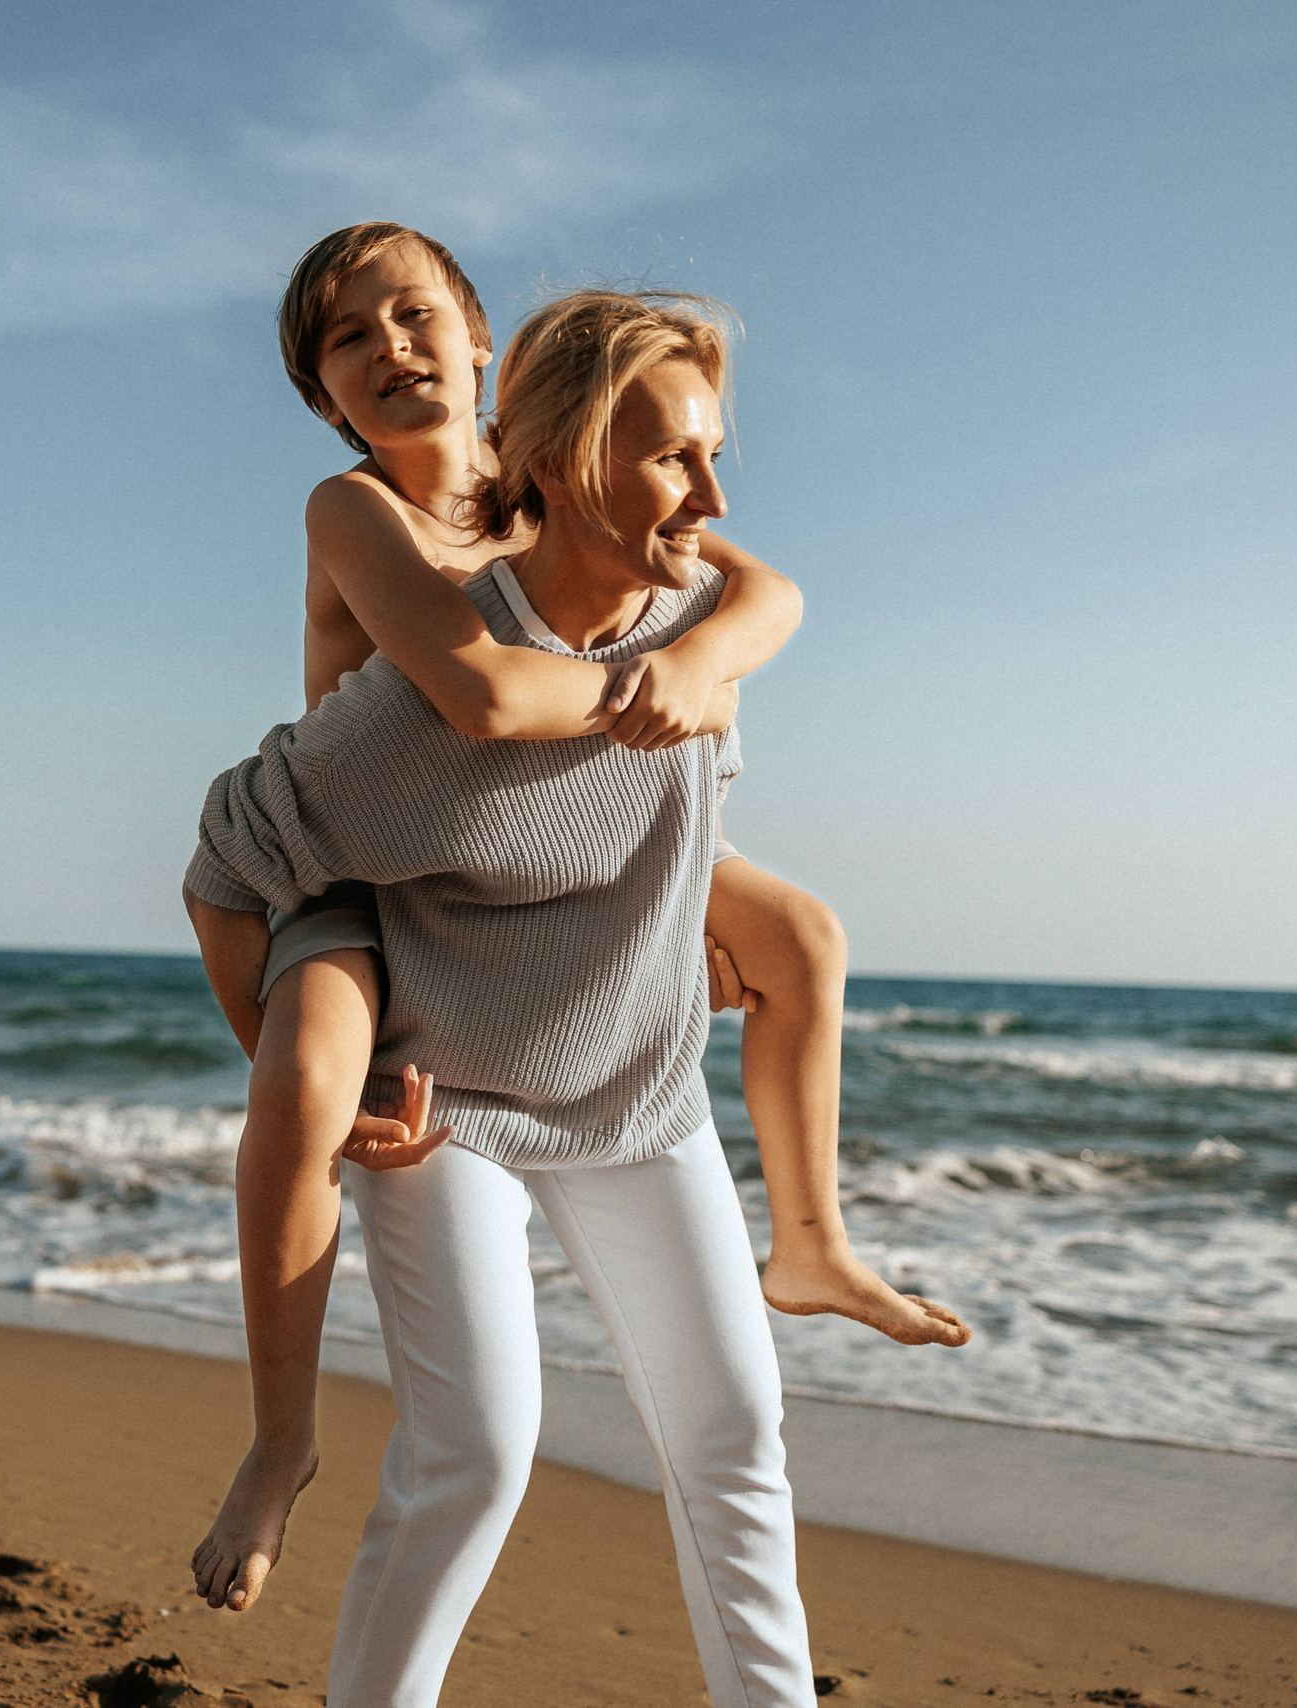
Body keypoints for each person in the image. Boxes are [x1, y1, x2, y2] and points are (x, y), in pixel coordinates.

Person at [187, 224, 968, 1619]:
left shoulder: (542, 472)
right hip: (370, 873)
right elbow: (481, 693)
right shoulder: (352, 511)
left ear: (484, 342)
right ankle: (277, 1441)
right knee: (302, 1084)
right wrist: (663, 688)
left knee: (799, 939)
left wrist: (706, 653)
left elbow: (764, 591)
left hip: (556, 845)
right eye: (350, 339)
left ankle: (811, 1239)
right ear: (321, 395)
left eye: (416, 315)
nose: (392, 349)